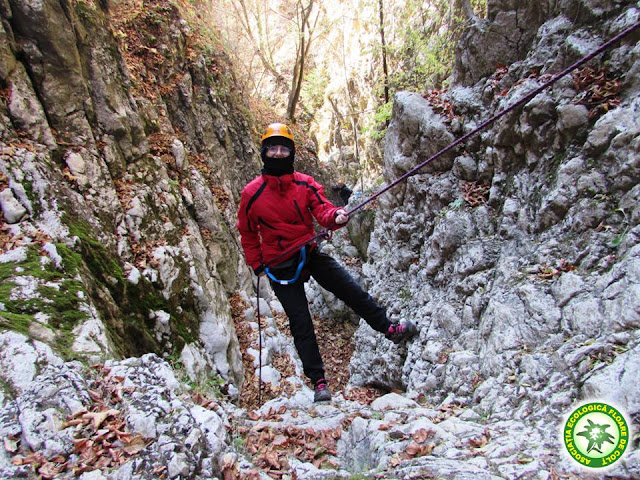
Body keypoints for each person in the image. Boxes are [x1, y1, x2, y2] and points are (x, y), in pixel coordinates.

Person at [236, 123, 417, 402]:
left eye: (284, 148)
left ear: (291, 153)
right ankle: (319, 381)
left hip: (308, 252)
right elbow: (248, 232)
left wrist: (335, 216)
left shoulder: (305, 183)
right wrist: (257, 265)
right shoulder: (252, 194)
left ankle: (389, 329)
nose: (279, 153)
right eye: (273, 148)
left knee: (350, 289)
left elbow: (322, 209)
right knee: (301, 322)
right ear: (264, 152)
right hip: (279, 265)